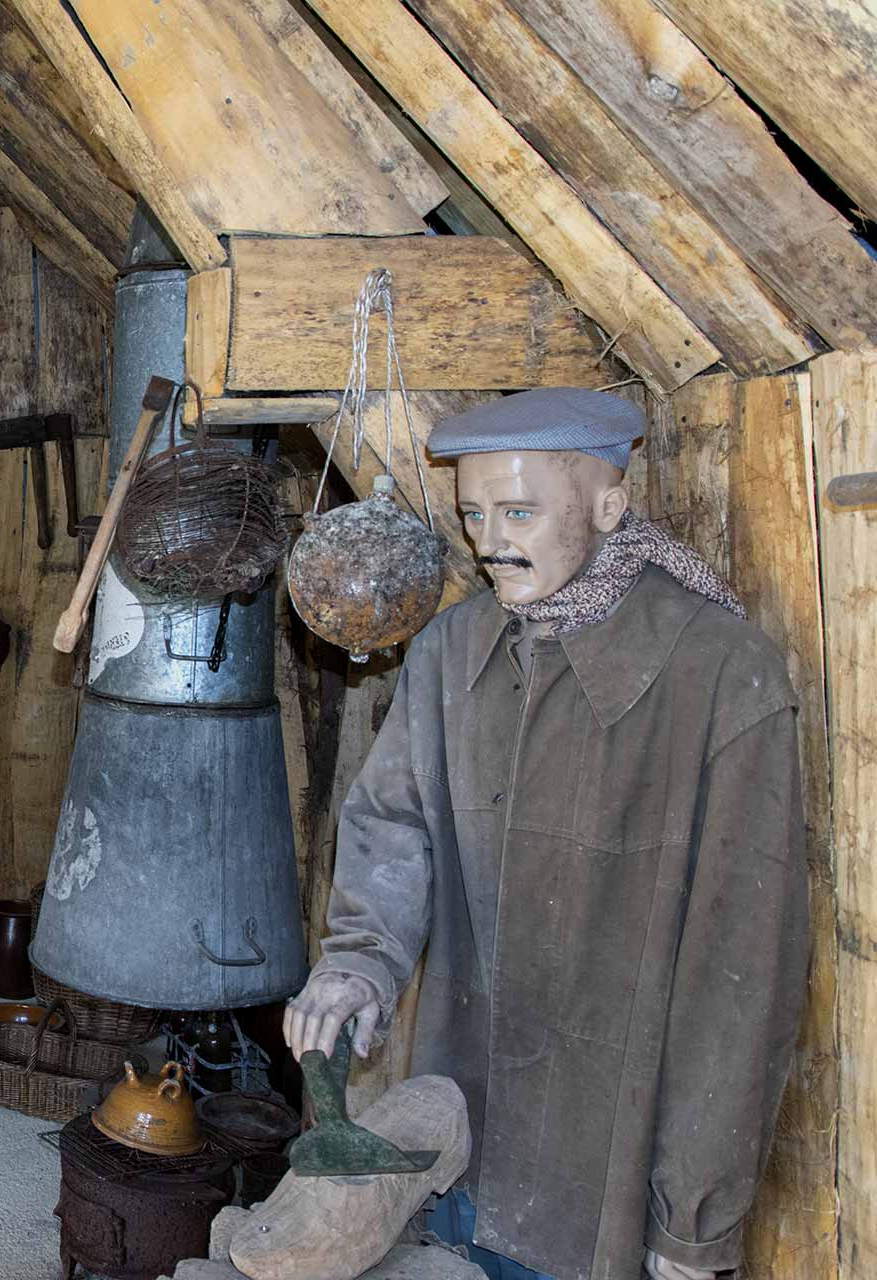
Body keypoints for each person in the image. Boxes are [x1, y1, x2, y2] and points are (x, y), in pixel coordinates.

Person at [281, 388, 807, 1280]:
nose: (488, 541)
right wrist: (358, 962)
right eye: (474, 513)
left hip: (607, 1169)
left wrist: (693, 1223)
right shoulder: (451, 652)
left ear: (609, 504)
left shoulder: (724, 673)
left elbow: (743, 974)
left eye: (519, 511)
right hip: (470, 1115)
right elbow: (391, 827)